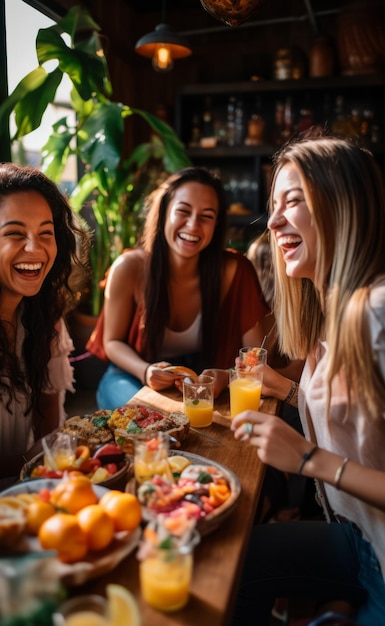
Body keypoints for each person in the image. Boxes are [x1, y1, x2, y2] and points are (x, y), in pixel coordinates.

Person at [231, 134, 385, 625]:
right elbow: (365, 426)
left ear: (344, 206)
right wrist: (287, 389)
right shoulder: (333, 311)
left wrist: (307, 459)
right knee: (235, 563)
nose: (272, 221)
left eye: (293, 202)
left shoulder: (377, 314)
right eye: (274, 204)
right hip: (362, 540)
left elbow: (328, 457)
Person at [94, 166, 270, 410]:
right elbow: (111, 342)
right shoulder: (128, 268)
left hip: (201, 381)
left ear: (217, 224)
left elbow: (255, 355)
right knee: (147, 420)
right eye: (183, 211)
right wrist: (146, 371)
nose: (193, 225)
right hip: (132, 374)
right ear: (165, 213)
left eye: (206, 216)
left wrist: (228, 375)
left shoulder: (235, 270)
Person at [0, 162, 89, 501]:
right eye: (15, 233)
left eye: (46, 233)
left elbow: (48, 426)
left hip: (31, 496)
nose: (35, 249)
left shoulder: (43, 313)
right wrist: (30, 460)